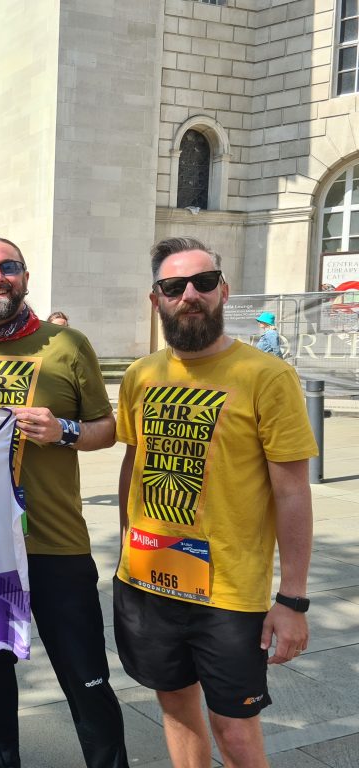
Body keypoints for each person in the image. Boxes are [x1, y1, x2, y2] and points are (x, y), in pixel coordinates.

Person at [114, 237, 317, 768]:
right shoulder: (141, 375)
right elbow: (133, 462)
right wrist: (123, 544)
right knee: (177, 709)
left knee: (236, 731)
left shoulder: (267, 376)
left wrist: (292, 599)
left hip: (229, 594)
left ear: (223, 290)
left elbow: (293, 490)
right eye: (173, 286)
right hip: (149, 578)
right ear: (155, 298)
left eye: (203, 283)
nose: (190, 295)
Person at [0, 235, 128, 768]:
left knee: (86, 678)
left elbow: (108, 429)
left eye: (8, 266)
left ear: (25, 278)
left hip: (57, 543)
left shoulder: (67, 344)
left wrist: (62, 430)